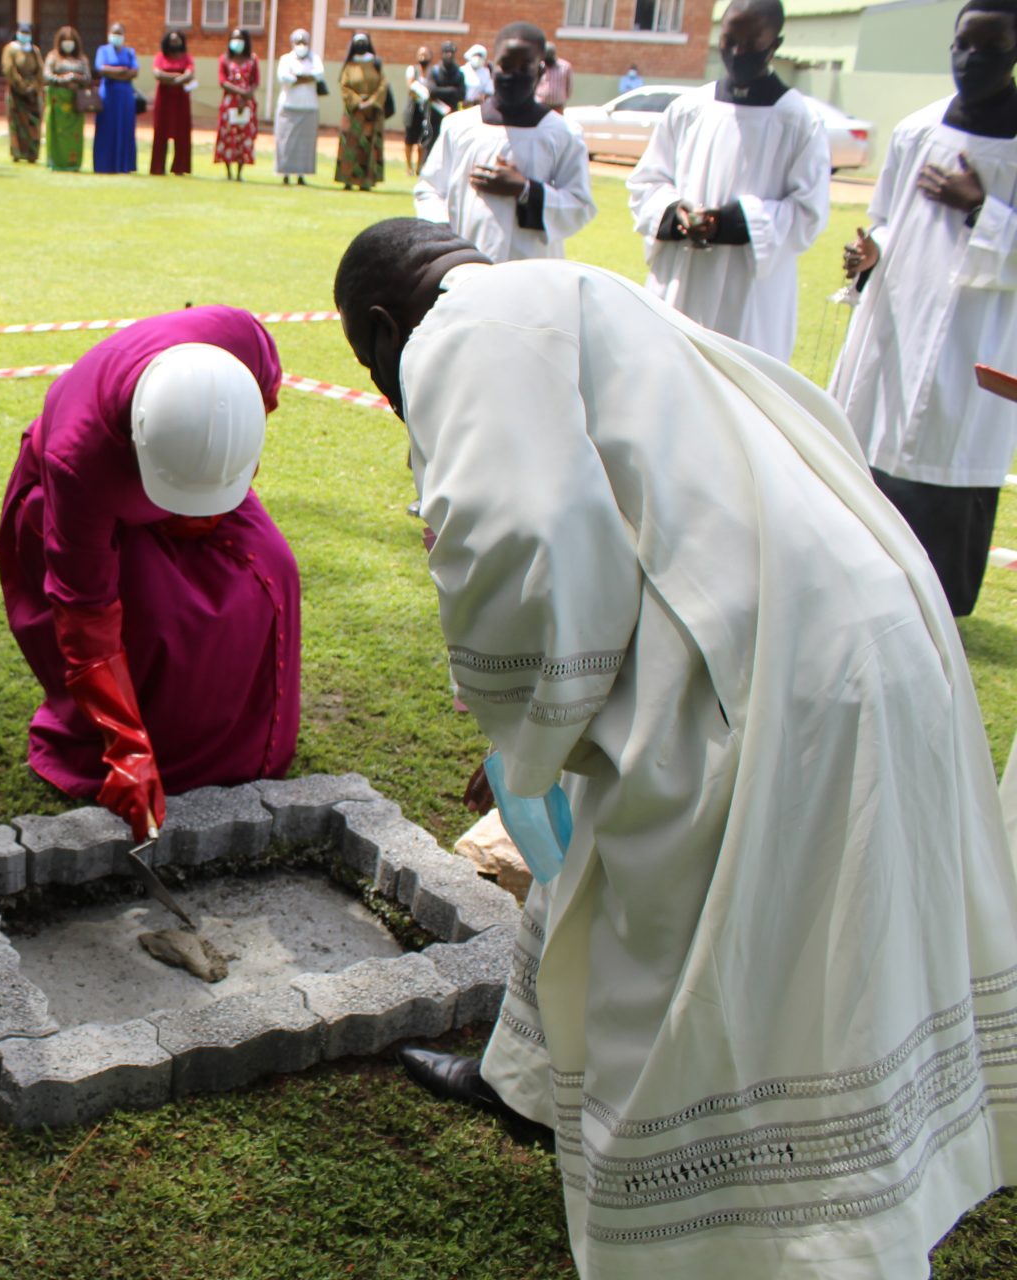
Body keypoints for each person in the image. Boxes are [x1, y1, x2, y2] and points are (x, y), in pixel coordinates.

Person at [335, 216, 1017, 1280]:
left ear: (383, 326)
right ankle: (526, 1079)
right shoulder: (579, 293)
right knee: (609, 884)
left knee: (717, 961)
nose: (390, 391)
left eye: (372, 367)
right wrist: (544, 741)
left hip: (776, 677)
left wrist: (526, 732)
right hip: (855, 624)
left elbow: (518, 531)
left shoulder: (457, 331)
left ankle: (781, 1230)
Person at [0, 308, 301, 841]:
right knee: (164, 618)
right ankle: (158, 752)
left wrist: (212, 491)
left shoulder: (242, 340)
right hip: (97, 505)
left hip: (206, 473)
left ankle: (248, 745)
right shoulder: (79, 459)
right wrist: (127, 745)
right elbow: (85, 614)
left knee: (271, 570)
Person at [831, 0, 1017, 618]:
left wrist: (981, 208)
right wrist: (868, 251)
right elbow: (887, 221)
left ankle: (934, 611)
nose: (969, 60)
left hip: (980, 333)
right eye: (961, 44)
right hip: (896, 319)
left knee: (945, 451)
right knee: (876, 447)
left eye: (988, 48)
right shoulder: (917, 130)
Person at [627, 0, 830, 360]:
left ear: (775, 45)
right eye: (729, 40)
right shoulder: (690, 109)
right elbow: (647, 182)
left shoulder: (798, 120)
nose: (737, 52)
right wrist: (677, 213)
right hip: (683, 277)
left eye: (751, 44)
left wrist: (731, 223)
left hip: (750, 291)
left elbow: (807, 213)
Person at [413, 23, 593, 261]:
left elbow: (579, 205)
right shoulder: (459, 126)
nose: (512, 75)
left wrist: (525, 189)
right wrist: (444, 233)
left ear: (539, 71)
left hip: (532, 271)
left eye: (524, 67)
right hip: (464, 264)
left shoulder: (563, 133)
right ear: (492, 67)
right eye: (505, 66)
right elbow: (430, 189)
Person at [335, 33, 387, 191]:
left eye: (363, 42)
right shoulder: (349, 65)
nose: (361, 45)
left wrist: (372, 102)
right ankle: (348, 180)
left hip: (371, 114)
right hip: (353, 113)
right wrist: (357, 101)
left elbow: (383, 85)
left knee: (367, 147)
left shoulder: (375, 63)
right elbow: (344, 86)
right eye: (358, 42)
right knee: (350, 146)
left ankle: (366, 181)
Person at [273, 29, 320, 186]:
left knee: (305, 145)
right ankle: (285, 174)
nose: (301, 46)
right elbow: (284, 77)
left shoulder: (314, 59)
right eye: (298, 42)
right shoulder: (286, 59)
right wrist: (306, 78)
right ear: (292, 43)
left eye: (304, 42)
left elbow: (319, 74)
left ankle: (301, 175)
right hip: (288, 107)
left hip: (308, 108)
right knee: (286, 142)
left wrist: (296, 78)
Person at [93, 22, 138, 174]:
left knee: (125, 128)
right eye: (114, 33)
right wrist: (121, 71)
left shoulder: (130, 52)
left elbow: (134, 71)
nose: (116, 37)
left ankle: (124, 165)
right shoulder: (103, 50)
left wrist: (114, 72)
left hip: (125, 98)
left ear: (124, 36)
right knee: (106, 129)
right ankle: (104, 164)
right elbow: (101, 69)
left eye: (119, 34)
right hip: (108, 96)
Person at [214, 28, 257, 181]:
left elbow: (255, 82)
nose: (236, 41)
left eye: (239, 38)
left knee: (243, 136)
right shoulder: (224, 59)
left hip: (246, 104)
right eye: (234, 38)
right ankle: (228, 172)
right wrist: (240, 92)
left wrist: (245, 97)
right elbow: (222, 81)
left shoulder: (252, 59)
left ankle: (240, 172)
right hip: (229, 103)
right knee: (228, 135)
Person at [44, 25, 89, 171]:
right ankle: (56, 162)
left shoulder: (81, 59)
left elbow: (88, 77)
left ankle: (73, 163)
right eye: (65, 41)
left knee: (74, 134)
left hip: (75, 103)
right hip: (58, 101)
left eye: (71, 41)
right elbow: (47, 76)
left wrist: (77, 80)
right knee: (58, 133)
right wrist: (64, 79)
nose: (68, 44)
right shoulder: (53, 57)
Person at [150, 29, 194, 177]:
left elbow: (189, 75)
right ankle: (158, 168)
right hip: (163, 100)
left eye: (177, 40)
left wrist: (169, 78)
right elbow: (157, 74)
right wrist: (177, 77)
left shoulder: (187, 58)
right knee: (160, 133)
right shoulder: (160, 57)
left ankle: (179, 168)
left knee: (182, 134)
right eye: (172, 40)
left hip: (181, 101)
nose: (174, 43)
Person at [1, 21, 43, 163]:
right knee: (16, 123)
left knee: (33, 124)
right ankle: (17, 153)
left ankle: (32, 153)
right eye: (22, 33)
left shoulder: (34, 51)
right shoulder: (11, 49)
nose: (24, 36)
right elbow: (9, 69)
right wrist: (21, 86)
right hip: (16, 92)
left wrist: (34, 87)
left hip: (32, 93)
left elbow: (40, 71)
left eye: (27, 34)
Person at [425, 40, 464, 152]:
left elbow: (462, 94)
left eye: (451, 52)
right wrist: (452, 90)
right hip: (435, 117)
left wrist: (442, 91)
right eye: (446, 52)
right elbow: (432, 91)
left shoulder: (459, 73)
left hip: (452, 115)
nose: (449, 55)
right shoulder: (434, 71)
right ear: (442, 53)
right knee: (431, 148)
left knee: (451, 148)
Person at [403, 45, 431, 174]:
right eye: (420, 55)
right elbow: (411, 86)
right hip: (413, 108)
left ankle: (419, 167)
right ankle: (409, 167)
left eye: (425, 55)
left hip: (425, 109)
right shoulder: (412, 70)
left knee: (422, 139)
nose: (423, 57)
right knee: (409, 139)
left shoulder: (432, 72)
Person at [536, 40, 570, 112]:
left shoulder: (565, 66)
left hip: (558, 105)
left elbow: (569, 85)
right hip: (541, 104)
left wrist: (564, 97)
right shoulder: (540, 66)